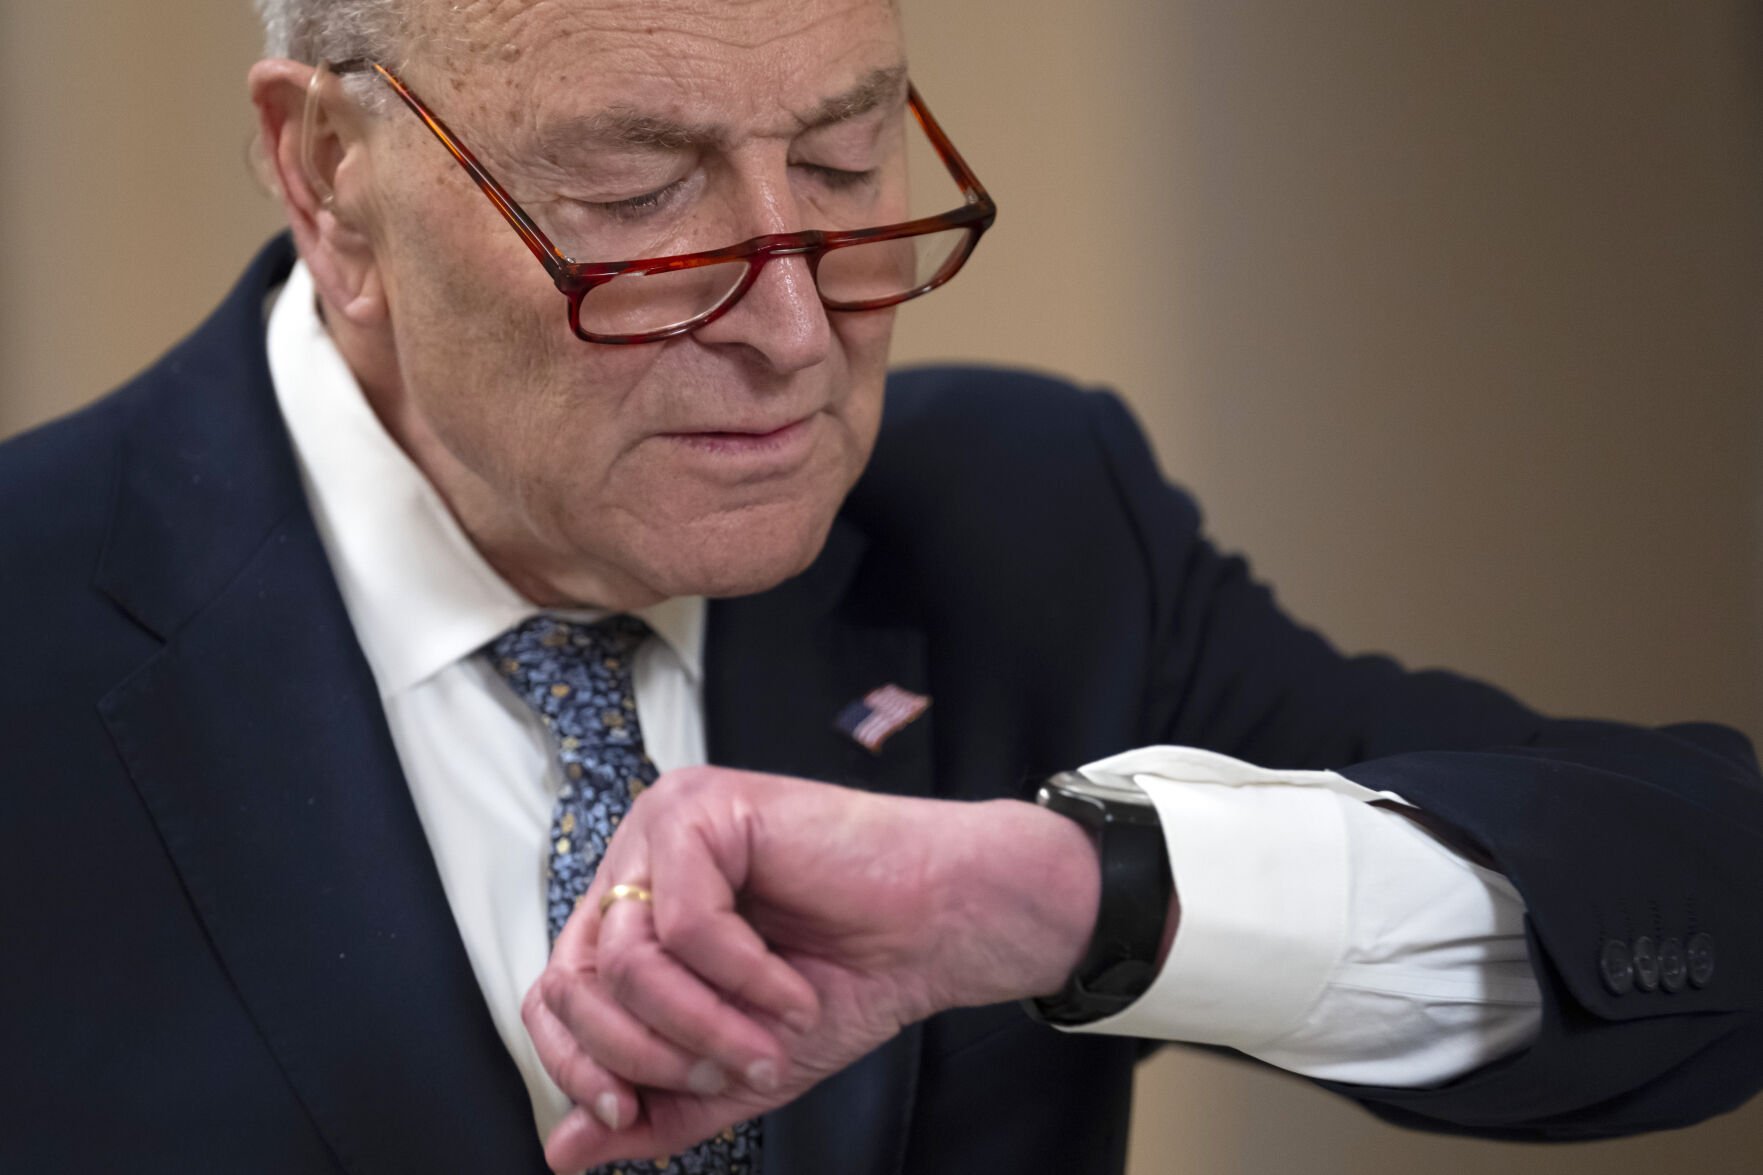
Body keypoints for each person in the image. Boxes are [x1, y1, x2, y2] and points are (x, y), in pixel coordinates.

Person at [1, 0, 1760, 1172]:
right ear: (331, 177)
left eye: (847, 166)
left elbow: (1704, 904)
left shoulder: (1034, 525)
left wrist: (1084, 898)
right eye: (635, 195)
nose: (791, 331)